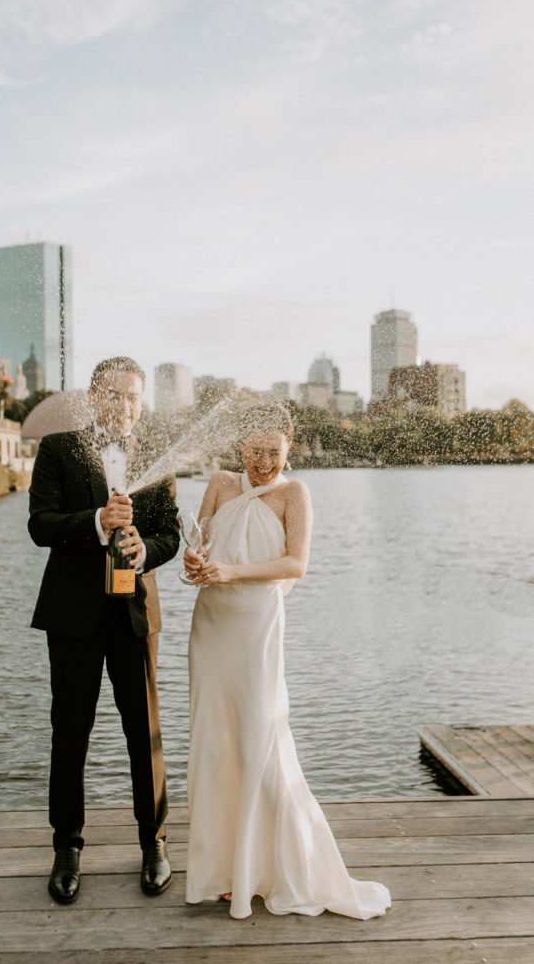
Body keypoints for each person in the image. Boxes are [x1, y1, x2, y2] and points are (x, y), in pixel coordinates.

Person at [183, 402, 391, 921]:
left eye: (273, 452)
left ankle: (266, 867)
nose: (263, 462)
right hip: (211, 627)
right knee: (215, 743)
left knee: (258, 741)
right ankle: (226, 871)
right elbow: (200, 541)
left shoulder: (294, 493)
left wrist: (230, 572)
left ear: (287, 450)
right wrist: (194, 560)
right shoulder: (219, 483)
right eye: (254, 450)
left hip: (256, 628)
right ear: (240, 448)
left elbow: (296, 562)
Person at [28, 356, 179, 904]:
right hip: (72, 617)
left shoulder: (158, 459)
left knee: (146, 736)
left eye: (133, 396)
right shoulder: (58, 448)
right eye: (113, 394)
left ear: (142, 402)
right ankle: (66, 848)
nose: (123, 406)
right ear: (93, 397)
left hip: (135, 617)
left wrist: (144, 552)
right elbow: (40, 525)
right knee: (70, 734)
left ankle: (154, 844)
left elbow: (172, 535)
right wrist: (97, 522)